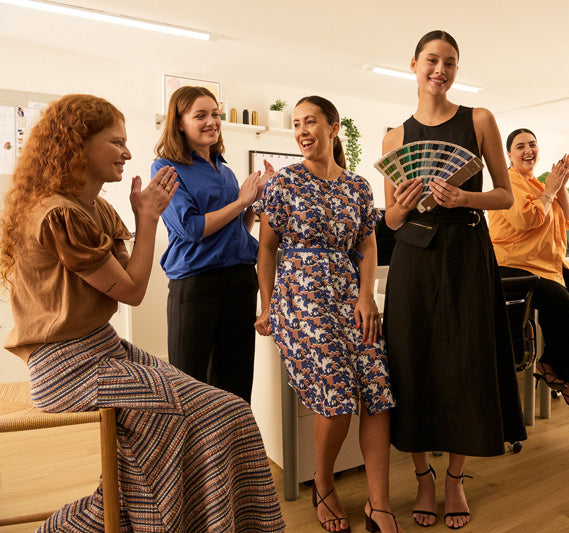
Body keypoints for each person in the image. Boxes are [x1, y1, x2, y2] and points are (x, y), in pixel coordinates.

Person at [0, 94, 284, 532]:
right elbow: (132, 290)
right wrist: (148, 218)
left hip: (105, 350)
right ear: (77, 145)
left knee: (229, 408)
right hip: (66, 368)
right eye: (116, 143)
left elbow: (127, 274)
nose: (128, 152)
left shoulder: (94, 207)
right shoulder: (58, 214)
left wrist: (148, 215)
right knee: (214, 413)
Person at [382, 30, 526, 530]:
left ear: (456, 70)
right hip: (413, 260)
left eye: (449, 62)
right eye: (431, 60)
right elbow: (391, 222)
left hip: (466, 251)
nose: (439, 70)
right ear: (414, 65)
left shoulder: (479, 119)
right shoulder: (395, 137)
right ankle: (423, 475)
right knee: (411, 362)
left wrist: (464, 198)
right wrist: (400, 206)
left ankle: (456, 479)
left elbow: (506, 196)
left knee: (467, 361)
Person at [253, 96, 402, 533]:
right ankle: (323, 482)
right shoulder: (282, 183)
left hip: (349, 295)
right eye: (297, 123)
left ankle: (380, 503)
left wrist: (366, 296)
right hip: (300, 297)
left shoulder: (358, 186)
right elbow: (266, 248)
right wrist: (267, 306)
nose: (302, 131)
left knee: (377, 390)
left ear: (333, 128)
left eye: (311, 121)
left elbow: (368, 244)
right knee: (337, 398)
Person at [152, 86, 270, 403]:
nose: (211, 121)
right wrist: (241, 201)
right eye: (200, 115)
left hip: (240, 283)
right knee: (189, 384)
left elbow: (236, 230)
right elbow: (190, 229)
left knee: (236, 385)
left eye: (215, 114)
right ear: (179, 123)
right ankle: (193, 453)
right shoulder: (166, 169)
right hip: (195, 285)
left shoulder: (226, 171)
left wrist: (252, 206)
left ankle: (231, 451)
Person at [488, 128, 569, 410]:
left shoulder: (537, 183)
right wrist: (551, 190)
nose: (528, 150)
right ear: (509, 155)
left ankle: (548, 361)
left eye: (532, 144)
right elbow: (526, 221)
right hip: (514, 263)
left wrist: (562, 187)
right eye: (520, 146)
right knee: (559, 299)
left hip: (548, 264)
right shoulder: (506, 183)